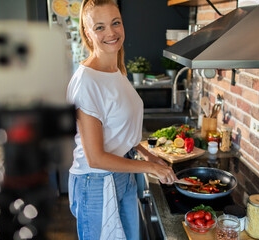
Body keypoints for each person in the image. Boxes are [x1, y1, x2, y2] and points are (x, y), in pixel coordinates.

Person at [66, 0, 178, 239]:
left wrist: (148, 154)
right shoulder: (87, 82)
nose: (111, 32)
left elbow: (119, 127)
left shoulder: (116, 69)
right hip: (95, 181)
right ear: (87, 32)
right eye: (100, 27)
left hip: (123, 171)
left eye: (116, 23)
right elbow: (95, 158)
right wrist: (149, 168)